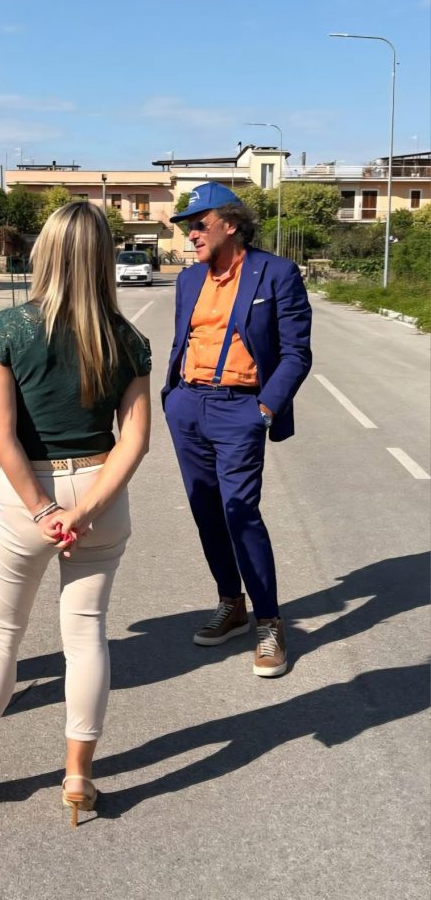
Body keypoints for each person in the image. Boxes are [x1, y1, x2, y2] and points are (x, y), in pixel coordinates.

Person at [0, 201, 151, 824]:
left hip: (28, 497)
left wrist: (46, 510)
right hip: (100, 488)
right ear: (104, 259)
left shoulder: (9, 330)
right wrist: (86, 509)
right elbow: (135, 440)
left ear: (44, 254)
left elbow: (0, 435)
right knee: (86, 634)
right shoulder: (128, 340)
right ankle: (78, 775)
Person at [162, 182, 312, 677]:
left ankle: (269, 621)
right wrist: (173, 398)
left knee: (240, 512)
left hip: (240, 408)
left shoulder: (276, 273)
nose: (190, 234)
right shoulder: (189, 279)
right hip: (188, 405)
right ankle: (232, 604)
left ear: (229, 224)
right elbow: (183, 340)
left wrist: (264, 409)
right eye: (186, 227)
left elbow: (296, 353)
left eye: (198, 224)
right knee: (205, 511)